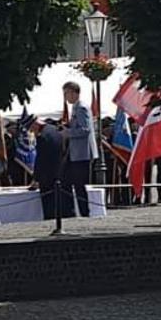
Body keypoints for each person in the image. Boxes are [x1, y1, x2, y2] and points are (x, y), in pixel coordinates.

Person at [62, 82, 97, 218]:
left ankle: (84, 213)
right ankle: (75, 211)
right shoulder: (76, 108)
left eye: (67, 93)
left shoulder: (81, 107)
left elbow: (85, 130)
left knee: (79, 184)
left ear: (74, 92)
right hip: (76, 153)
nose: (65, 97)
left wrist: (68, 132)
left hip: (82, 153)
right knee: (71, 182)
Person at [33, 117, 69, 220]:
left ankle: (49, 219)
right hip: (60, 170)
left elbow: (40, 159)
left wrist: (36, 178)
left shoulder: (43, 137)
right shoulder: (55, 131)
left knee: (48, 203)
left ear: (36, 125)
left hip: (46, 175)